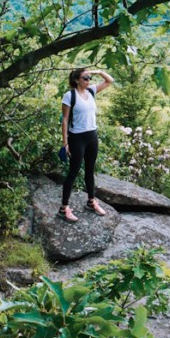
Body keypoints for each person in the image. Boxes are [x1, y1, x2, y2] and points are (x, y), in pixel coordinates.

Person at [60, 66, 114, 221]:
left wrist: (97, 72)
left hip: (92, 136)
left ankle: (91, 201)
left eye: (89, 78)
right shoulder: (70, 96)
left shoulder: (91, 91)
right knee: (73, 172)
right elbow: (65, 120)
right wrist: (65, 143)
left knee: (90, 170)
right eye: (85, 78)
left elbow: (110, 81)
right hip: (77, 137)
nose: (88, 80)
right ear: (77, 80)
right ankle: (64, 208)